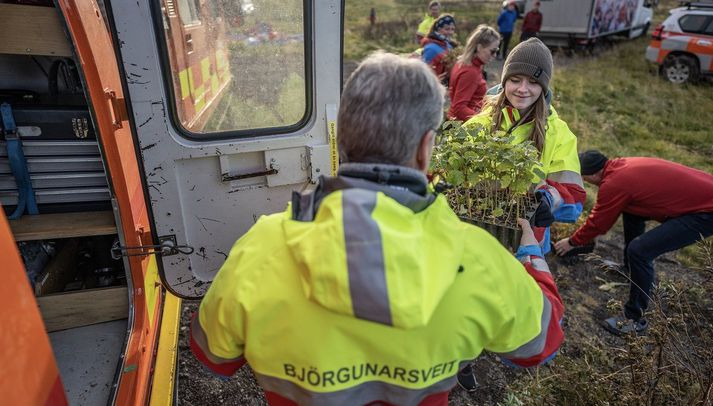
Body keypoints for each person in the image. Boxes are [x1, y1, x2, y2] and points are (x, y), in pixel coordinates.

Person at [190, 52, 565, 405]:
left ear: (343, 140)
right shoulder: (481, 259)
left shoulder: (264, 245)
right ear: (426, 147)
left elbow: (214, 356)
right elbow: (541, 344)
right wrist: (532, 257)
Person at [554, 151, 713, 336]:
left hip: (705, 212)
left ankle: (635, 319)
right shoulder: (622, 166)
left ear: (594, 174)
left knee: (639, 251)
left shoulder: (614, 183)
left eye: (584, 178)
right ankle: (630, 269)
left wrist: (573, 242)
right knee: (631, 211)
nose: (584, 181)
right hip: (702, 195)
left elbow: (599, 222)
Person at [464, 38, 587, 255]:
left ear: (543, 87)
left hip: (526, 242)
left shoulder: (558, 133)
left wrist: (548, 199)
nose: (523, 89)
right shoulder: (478, 125)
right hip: (475, 234)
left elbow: (574, 197)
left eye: (533, 82)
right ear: (504, 83)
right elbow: (444, 177)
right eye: (515, 80)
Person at [447, 25, 500, 122]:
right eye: (492, 51)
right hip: (463, 125)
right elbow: (459, 108)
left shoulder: (463, 63)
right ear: (479, 47)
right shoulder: (470, 72)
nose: (495, 55)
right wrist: (486, 120)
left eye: (497, 51)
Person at [421, 14, 458, 84]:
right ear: (438, 29)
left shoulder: (448, 44)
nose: (450, 32)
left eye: (452, 29)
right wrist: (436, 81)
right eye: (447, 29)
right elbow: (423, 74)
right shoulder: (431, 49)